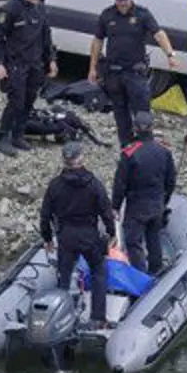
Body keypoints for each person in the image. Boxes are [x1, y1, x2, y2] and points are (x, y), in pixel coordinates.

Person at [89, 0, 179, 145]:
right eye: (119, 0)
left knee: (142, 113)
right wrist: (93, 68)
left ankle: (145, 148)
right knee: (120, 113)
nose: (122, 3)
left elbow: (159, 34)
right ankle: (126, 147)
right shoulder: (107, 15)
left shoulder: (142, 14)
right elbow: (97, 41)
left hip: (135, 72)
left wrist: (170, 54)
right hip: (114, 73)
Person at [39, 141, 117, 331]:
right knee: (98, 271)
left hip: (66, 236)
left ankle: (60, 317)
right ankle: (97, 317)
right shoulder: (94, 184)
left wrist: (47, 238)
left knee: (64, 277)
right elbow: (106, 211)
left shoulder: (55, 185)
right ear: (81, 158)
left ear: (64, 161)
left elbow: (45, 214)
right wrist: (112, 232)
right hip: (89, 234)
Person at [0, 0, 58, 157]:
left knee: (29, 100)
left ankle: (18, 134)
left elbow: (46, 36)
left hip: (35, 63)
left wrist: (51, 60)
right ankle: (3, 137)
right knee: (16, 101)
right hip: (16, 63)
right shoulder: (10, 9)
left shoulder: (40, 9)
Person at [111, 111, 177, 274]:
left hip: (137, 205)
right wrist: (164, 199)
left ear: (134, 129)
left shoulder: (129, 154)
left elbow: (120, 183)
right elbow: (171, 180)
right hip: (156, 202)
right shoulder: (164, 152)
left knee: (133, 241)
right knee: (153, 237)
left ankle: (140, 275)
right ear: (153, 127)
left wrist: (115, 206)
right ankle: (156, 269)